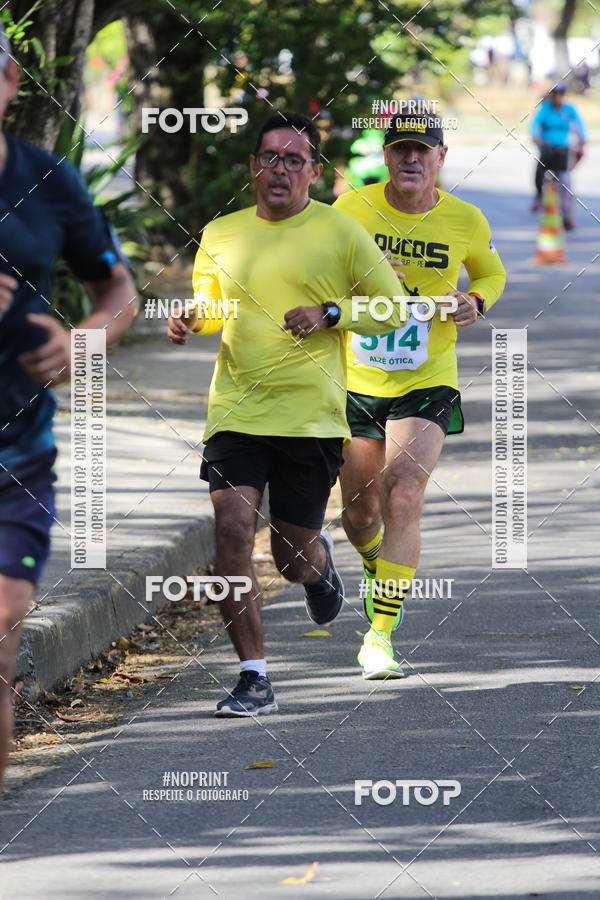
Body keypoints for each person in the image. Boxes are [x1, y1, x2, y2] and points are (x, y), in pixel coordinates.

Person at [167, 112, 415, 718]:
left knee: (291, 555)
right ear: (254, 167)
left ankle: (320, 568)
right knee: (230, 532)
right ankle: (254, 676)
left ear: (313, 172)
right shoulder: (221, 232)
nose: (280, 169)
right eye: (270, 158)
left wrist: (331, 315)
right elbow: (213, 307)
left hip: (310, 418)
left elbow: (394, 306)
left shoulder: (339, 232)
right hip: (236, 409)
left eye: (294, 160)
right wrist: (191, 319)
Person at [0, 27, 137, 792]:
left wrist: (79, 346)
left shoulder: (47, 179)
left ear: (11, 80)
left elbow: (118, 293)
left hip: (17, 456)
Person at [333, 111, 506, 679]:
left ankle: (379, 636)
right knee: (360, 515)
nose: (411, 159)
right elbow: (321, 272)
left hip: (427, 375)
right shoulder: (353, 209)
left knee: (403, 494)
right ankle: (373, 564)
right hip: (357, 375)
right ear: (385, 157)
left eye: (422, 150)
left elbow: (490, 274)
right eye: (400, 149)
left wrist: (475, 301)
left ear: (440, 158)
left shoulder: (464, 219)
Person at [531, 82, 586, 229]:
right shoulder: (546, 109)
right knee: (538, 173)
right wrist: (536, 137)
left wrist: (582, 138)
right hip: (547, 148)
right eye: (555, 94)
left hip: (563, 149)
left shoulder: (569, 109)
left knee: (566, 182)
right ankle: (538, 195)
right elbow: (535, 124)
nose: (557, 97)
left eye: (560, 94)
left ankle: (567, 215)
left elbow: (579, 125)